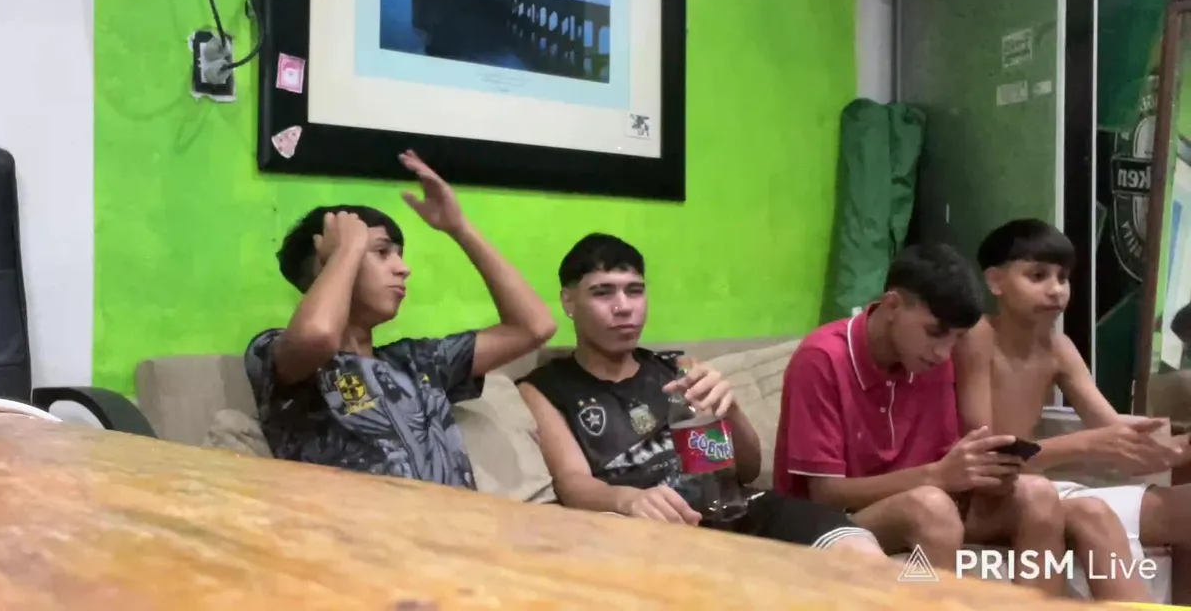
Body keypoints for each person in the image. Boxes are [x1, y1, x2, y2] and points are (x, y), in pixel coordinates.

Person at [516, 233, 884, 557]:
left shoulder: (678, 370)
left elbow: (744, 469)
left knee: (858, 552)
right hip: (659, 528)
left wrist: (730, 410)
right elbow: (573, 483)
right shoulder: (545, 388)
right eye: (602, 292)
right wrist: (628, 499)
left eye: (635, 290)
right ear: (568, 301)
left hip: (737, 510)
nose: (623, 306)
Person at [244, 150, 557, 488]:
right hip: (359, 522)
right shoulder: (276, 353)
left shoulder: (418, 363)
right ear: (328, 261)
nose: (403, 268)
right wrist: (348, 249)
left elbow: (535, 327)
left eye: (399, 256)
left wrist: (459, 227)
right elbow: (318, 335)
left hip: (459, 517)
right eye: (381, 252)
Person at [774, 243, 1071, 596]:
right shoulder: (822, 358)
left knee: (1038, 494)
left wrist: (983, 477)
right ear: (892, 306)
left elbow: (944, 466)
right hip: (829, 521)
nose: (944, 353)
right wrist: (937, 475)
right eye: (935, 332)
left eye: (956, 339)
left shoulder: (930, 360)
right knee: (931, 507)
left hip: (927, 500)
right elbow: (825, 494)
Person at [956, 218, 1191, 602]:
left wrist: (1172, 448)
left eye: (1063, 278)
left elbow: (1112, 428)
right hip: (984, 500)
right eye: (1038, 276)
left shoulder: (1059, 346)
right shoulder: (978, 337)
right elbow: (987, 457)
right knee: (1085, 511)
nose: (1055, 289)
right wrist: (1087, 444)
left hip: (1037, 488)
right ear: (995, 281)